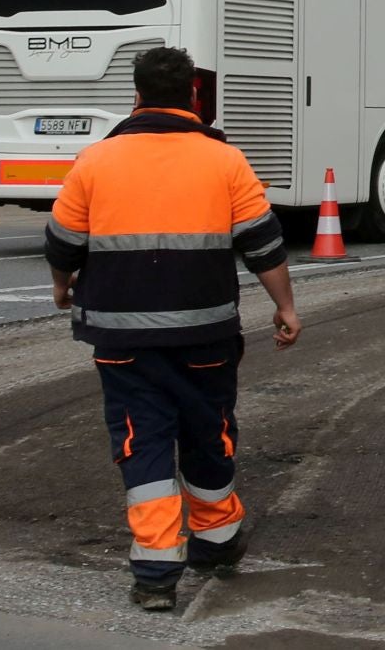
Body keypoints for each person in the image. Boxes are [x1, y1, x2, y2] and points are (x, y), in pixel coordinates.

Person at [44, 47, 301, 613]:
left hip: (121, 342)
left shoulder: (95, 160)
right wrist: (285, 307)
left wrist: (63, 287)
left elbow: (63, 243)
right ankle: (216, 538)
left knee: (143, 441)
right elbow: (263, 244)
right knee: (208, 430)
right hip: (205, 336)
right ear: (193, 97)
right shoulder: (224, 160)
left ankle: (157, 568)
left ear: (135, 96)